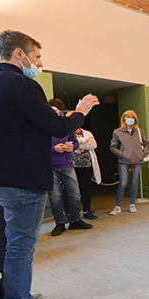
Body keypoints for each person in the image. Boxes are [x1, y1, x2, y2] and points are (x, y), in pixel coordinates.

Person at [0, 30, 99, 299]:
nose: (40, 63)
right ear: (19, 54)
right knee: (21, 244)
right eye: (37, 56)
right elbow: (57, 126)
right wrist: (80, 112)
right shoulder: (22, 84)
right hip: (19, 179)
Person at [47, 99, 92, 236]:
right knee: (55, 197)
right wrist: (54, 149)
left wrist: (72, 147)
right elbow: (38, 146)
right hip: (51, 166)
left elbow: (76, 143)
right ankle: (59, 223)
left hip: (67, 164)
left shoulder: (66, 126)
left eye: (59, 111)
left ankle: (75, 220)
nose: (57, 114)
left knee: (74, 193)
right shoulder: (44, 126)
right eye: (53, 111)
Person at [109, 110, 149, 215]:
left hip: (137, 161)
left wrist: (142, 154)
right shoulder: (117, 132)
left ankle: (132, 204)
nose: (130, 119)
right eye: (127, 116)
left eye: (132, 117)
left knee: (134, 182)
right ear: (123, 118)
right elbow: (113, 147)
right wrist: (122, 154)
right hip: (124, 161)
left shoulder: (140, 131)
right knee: (122, 183)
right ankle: (118, 206)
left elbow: (146, 144)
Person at [73, 126, 101, 220]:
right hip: (71, 166)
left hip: (86, 165)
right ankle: (71, 213)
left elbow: (93, 145)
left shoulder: (87, 133)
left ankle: (87, 211)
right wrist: (84, 142)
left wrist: (76, 145)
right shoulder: (67, 133)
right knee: (71, 191)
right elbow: (67, 145)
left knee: (85, 189)